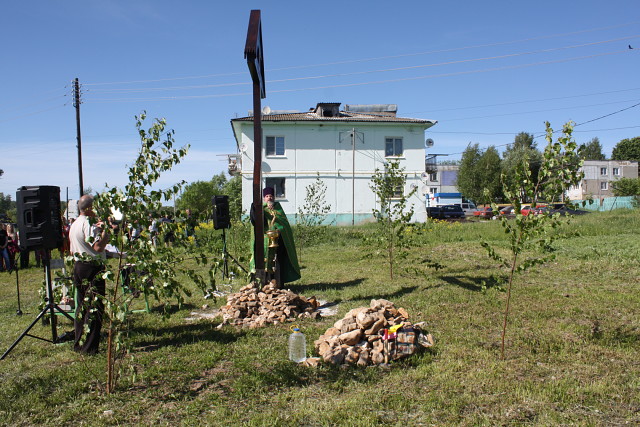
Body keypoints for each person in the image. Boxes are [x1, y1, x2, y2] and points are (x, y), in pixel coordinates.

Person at [68, 195, 111, 355]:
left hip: (78, 266)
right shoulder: (89, 224)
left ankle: (79, 343)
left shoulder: (75, 224)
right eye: (95, 207)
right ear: (88, 208)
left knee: (82, 307)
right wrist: (107, 231)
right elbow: (98, 247)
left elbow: (73, 248)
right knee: (94, 308)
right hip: (92, 268)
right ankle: (90, 348)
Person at [250, 187, 300, 286]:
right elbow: (255, 222)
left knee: (277, 263)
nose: (269, 198)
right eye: (267, 196)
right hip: (263, 242)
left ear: (274, 197)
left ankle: (278, 283)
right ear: (264, 198)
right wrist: (255, 210)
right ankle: (263, 283)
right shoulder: (260, 209)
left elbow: (284, 225)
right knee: (263, 262)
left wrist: (279, 231)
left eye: (271, 196)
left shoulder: (278, 208)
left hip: (278, 242)